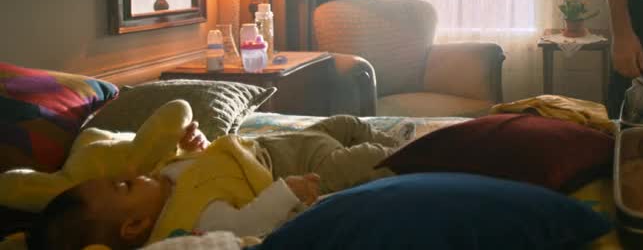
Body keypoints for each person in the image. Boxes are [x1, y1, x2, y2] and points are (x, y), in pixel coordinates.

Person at [29, 116, 403, 249]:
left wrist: (197, 146)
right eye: (122, 187)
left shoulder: (162, 176)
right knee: (367, 159)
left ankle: (402, 142)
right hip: (295, 169)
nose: (129, 175)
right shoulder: (190, 221)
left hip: (274, 144)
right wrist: (289, 191)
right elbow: (248, 224)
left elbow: (209, 169)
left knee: (347, 125)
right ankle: (413, 153)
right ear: (135, 225)